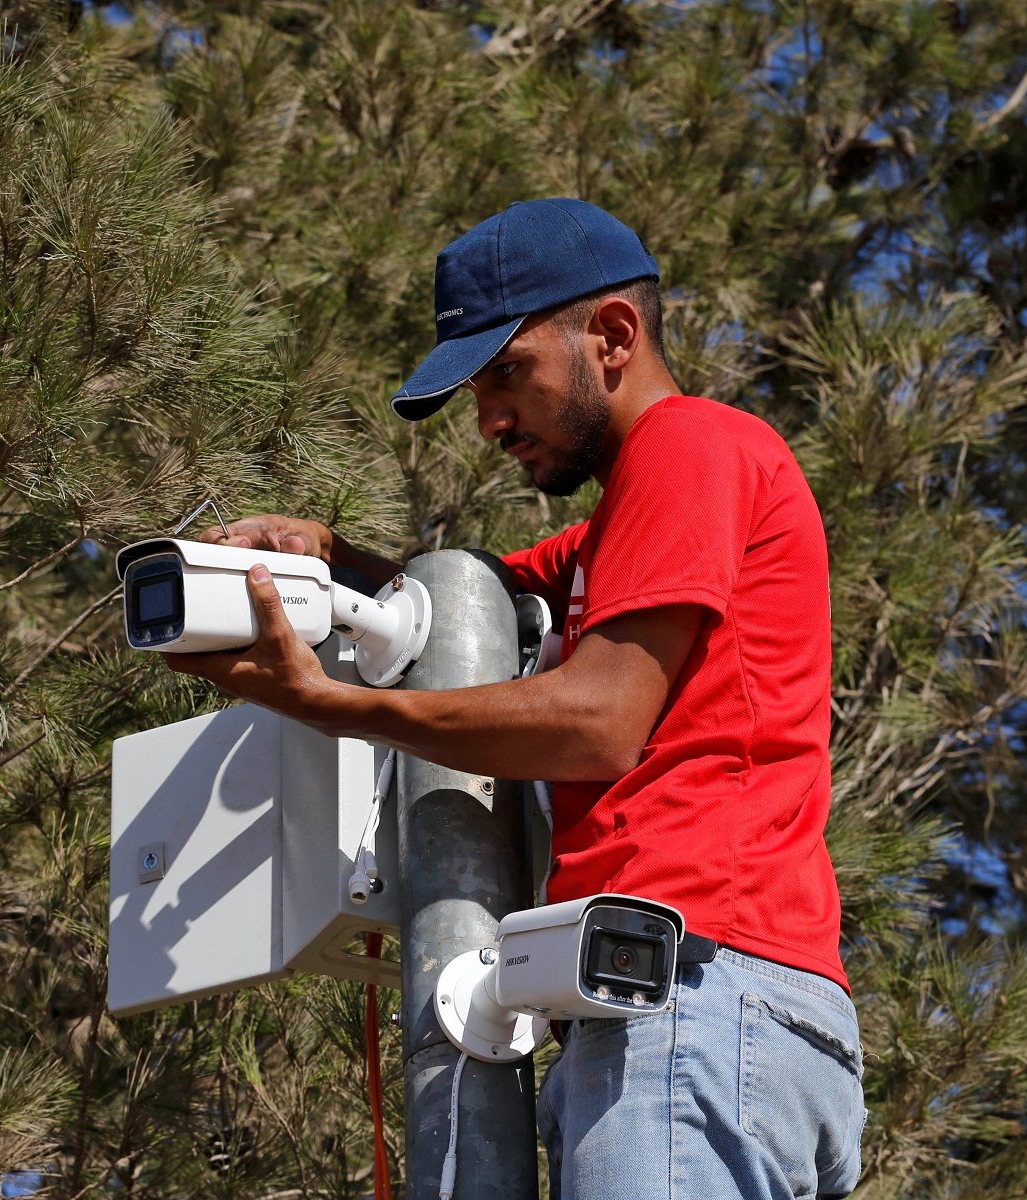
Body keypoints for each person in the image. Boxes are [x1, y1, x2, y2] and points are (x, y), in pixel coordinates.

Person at [163, 198, 865, 1199]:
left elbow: (598, 721)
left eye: (507, 374)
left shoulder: (690, 447)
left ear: (612, 336)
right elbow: (463, 600)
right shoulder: (615, 532)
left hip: (695, 994)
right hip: (696, 1010)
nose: (491, 421)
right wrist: (326, 558)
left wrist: (331, 703)